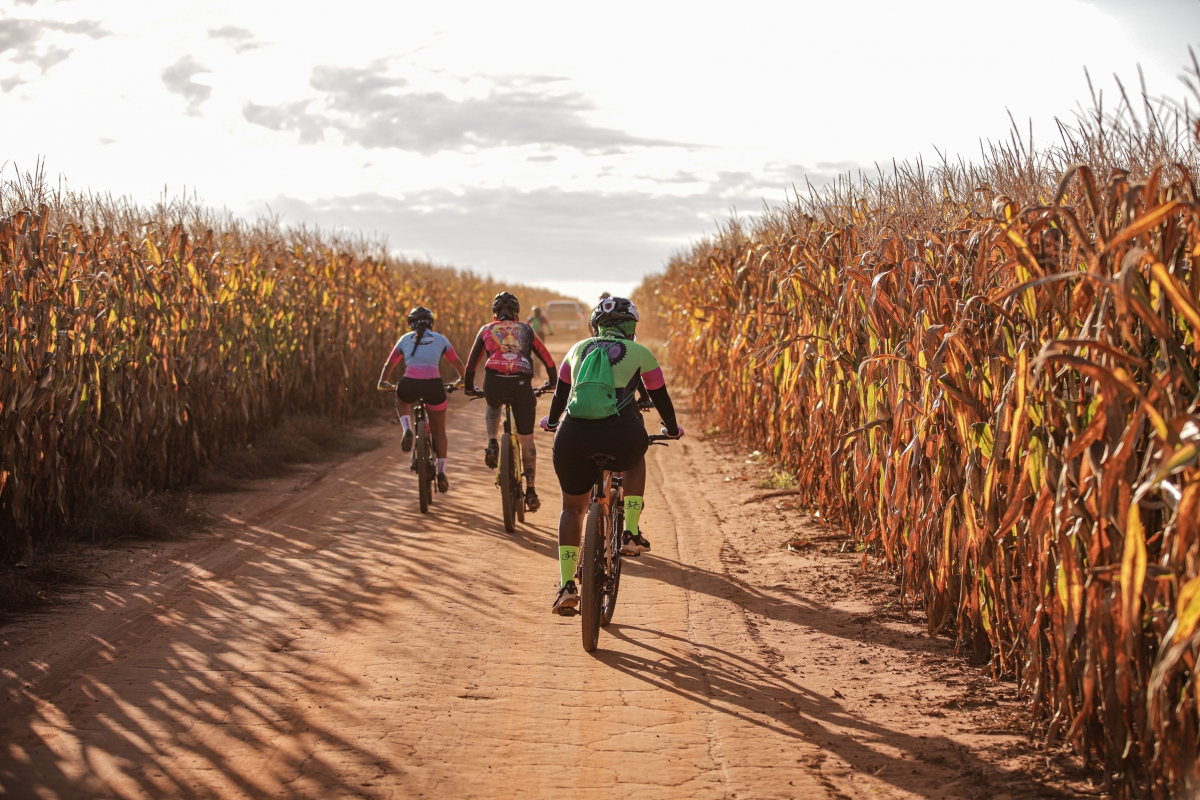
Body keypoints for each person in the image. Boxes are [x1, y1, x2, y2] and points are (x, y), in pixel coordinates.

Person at [539, 296, 683, 615]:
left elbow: (560, 396)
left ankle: (566, 585)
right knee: (635, 456)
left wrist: (551, 422)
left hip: (572, 435)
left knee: (572, 509)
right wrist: (672, 428)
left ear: (596, 326)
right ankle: (630, 531)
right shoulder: (640, 352)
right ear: (631, 327)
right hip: (621, 433)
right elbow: (660, 397)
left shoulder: (576, 349)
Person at [463, 292, 557, 512]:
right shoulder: (526, 330)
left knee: (493, 405)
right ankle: (531, 491)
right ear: (517, 314)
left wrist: (468, 386)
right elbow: (547, 359)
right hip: (521, 385)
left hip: (494, 382)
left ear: (495, 315)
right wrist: (552, 382)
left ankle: (492, 443)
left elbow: (471, 363)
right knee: (527, 439)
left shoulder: (487, 329)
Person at [377, 306, 466, 492]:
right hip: (434, 386)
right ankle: (442, 472)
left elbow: (389, 364)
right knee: (439, 432)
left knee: (401, 398)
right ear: (431, 323)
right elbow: (457, 362)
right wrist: (464, 380)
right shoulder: (440, 339)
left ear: (411, 324)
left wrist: (383, 382)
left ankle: (407, 429)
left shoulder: (404, 339)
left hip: (409, 384)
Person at [527, 306, 554, 379]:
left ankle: (534, 370)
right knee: (540, 351)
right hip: (541, 335)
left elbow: (525, 325)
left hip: (532, 335)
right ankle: (538, 368)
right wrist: (551, 332)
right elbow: (548, 325)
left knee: (532, 352)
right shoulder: (542, 318)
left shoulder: (531, 318)